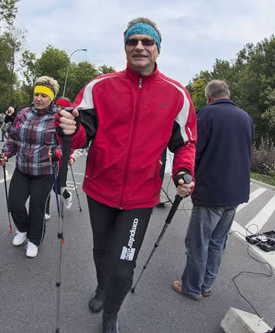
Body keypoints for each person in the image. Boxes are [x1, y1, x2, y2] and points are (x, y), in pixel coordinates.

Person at [56, 17, 197, 332]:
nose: (139, 47)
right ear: (125, 47)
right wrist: (70, 129)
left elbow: (185, 143)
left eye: (147, 42)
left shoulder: (177, 95)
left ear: (157, 50)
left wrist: (183, 172)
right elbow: (81, 134)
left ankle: (111, 315)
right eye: (133, 41)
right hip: (100, 188)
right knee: (101, 250)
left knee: (123, 265)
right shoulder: (100, 86)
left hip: (140, 196)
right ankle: (102, 287)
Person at [172, 80, 253, 301]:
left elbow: (193, 153)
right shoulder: (246, 117)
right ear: (227, 94)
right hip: (236, 192)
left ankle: (191, 287)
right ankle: (206, 284)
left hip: (211, 192)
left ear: (209, 97)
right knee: (218, 241)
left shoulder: (207, 114)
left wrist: (186, 177)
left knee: (199, 242)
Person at [0, 76, 60, 258]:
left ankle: (34, 240)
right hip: (23, 168)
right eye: (36, 94)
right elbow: (13, 137)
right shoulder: (24, 113)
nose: (39, 99)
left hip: (44, 171)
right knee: (15, 203)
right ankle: (24, 229)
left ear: (52, 98)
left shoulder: (57, 117)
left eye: (44, 96)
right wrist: (6, 152)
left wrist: (58, 154)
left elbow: (65, 144)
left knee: (36, 208)